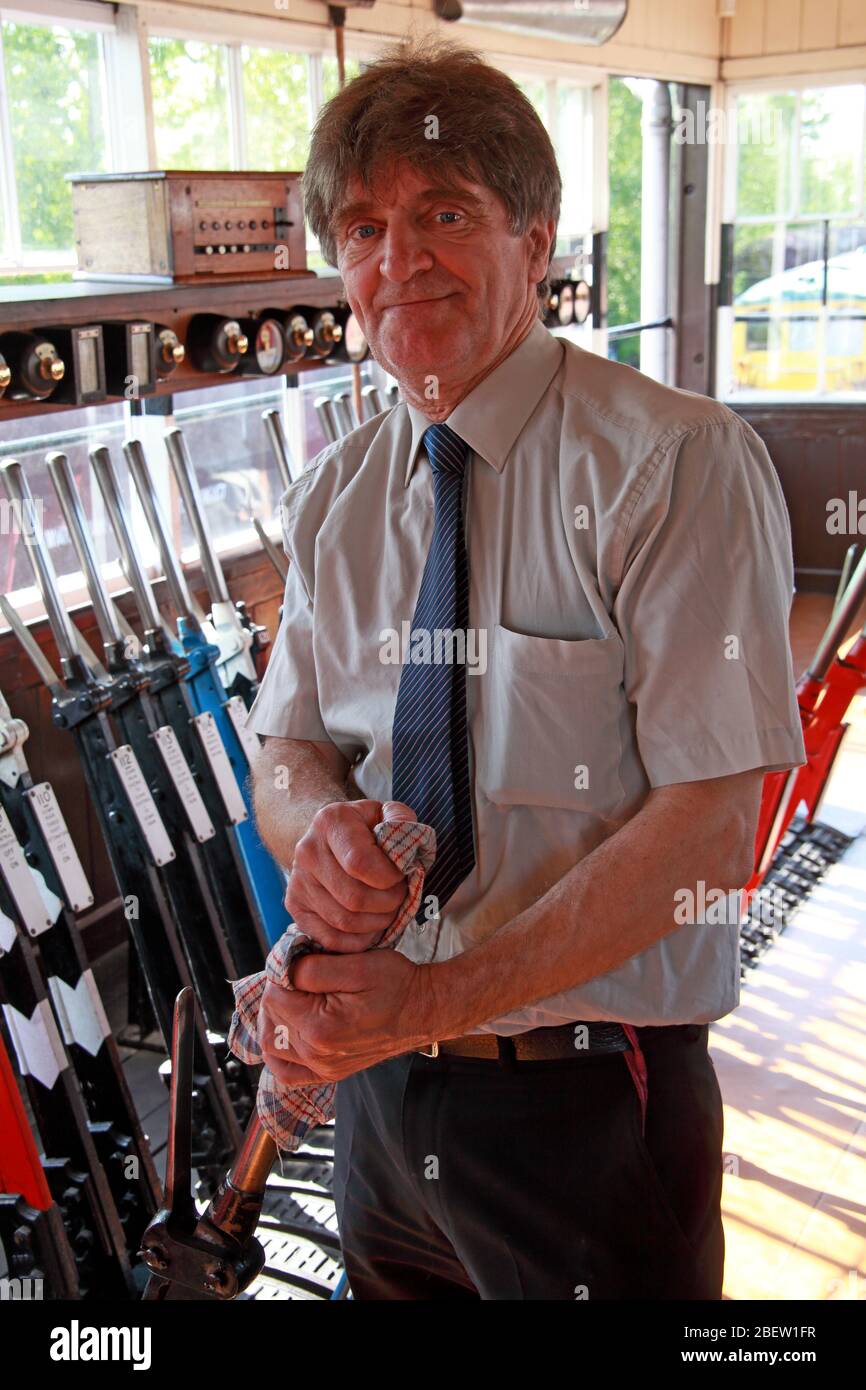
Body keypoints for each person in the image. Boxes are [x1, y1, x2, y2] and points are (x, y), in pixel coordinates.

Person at [245, 37, 806, 1300]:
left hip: (588, 1104)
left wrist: (436, 993)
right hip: (381, 1103)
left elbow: (714, 828)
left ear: (534, 235)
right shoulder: (337, 496)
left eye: (445, 213)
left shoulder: (670, 465)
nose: (400, 261)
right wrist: (313, 831)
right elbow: (287, 747)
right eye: (364, 228)